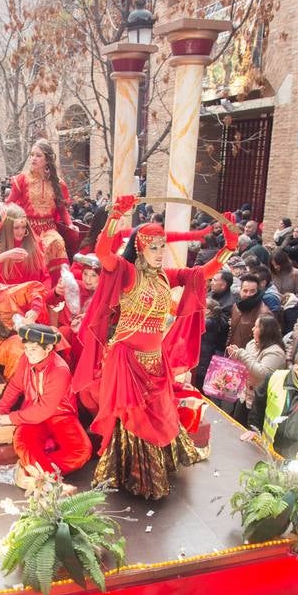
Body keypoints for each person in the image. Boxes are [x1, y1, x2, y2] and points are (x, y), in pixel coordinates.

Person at [72, 195, 236, 499]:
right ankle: (136, 476)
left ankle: (157, 465)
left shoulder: (165, 276)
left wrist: (229, 249)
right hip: (125, 358)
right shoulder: (126, 272)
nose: (161, 253)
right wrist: (115, 216)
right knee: (133, 418)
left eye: (163, 246)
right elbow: (103, 251)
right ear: (140, 248)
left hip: (155, 359)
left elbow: (203, 273)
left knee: (161, 412)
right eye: (154, 247)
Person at [0, 324, 91, 487]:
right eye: (26, 348)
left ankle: (33, 474)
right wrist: (1, 410)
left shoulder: (60, 370)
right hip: (31, 413)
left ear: (49, 347)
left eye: (34, 349)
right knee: (22, 443)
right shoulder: (26, 359)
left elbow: (44, 409)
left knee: (82, 450)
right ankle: (48, 480)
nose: (28, 353)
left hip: (61, 416)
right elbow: (16, 385)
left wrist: (10, 418)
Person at [5, 139, 73, 281]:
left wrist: (70, 224)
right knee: (38, 248)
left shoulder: (57, 183)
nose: (33, 158)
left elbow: (62, 209)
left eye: (38, 155)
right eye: (32, 155)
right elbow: (9, 204)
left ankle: (57, 289)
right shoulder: (22, 179)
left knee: (57, 242)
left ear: (47, 159)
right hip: (27, 228)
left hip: (48, 227)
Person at [0, 204, 51, 286]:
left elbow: (45, 277)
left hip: (31, 294)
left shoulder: (35, 244)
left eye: (23, 227)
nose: (21, 232)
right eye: (16, 228)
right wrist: (6, 255)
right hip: (5, 296)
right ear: (8, 228)